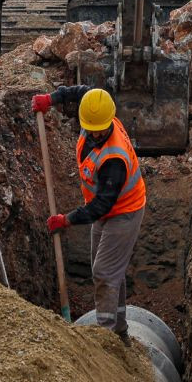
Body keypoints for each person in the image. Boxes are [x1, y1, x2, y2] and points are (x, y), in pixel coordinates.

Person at [32, 86, 146, 344]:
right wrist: (51, 99)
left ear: (109, 121)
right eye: (91, 128)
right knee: (106, 267)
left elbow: (101, 206)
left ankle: (107, 338)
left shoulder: (113, 159)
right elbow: (81, 92)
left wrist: (67, 219)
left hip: (124, 211)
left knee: (105, 272)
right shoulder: (97, 110)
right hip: (106, 209)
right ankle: (120, 330)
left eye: (100, 129)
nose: (95, 133)